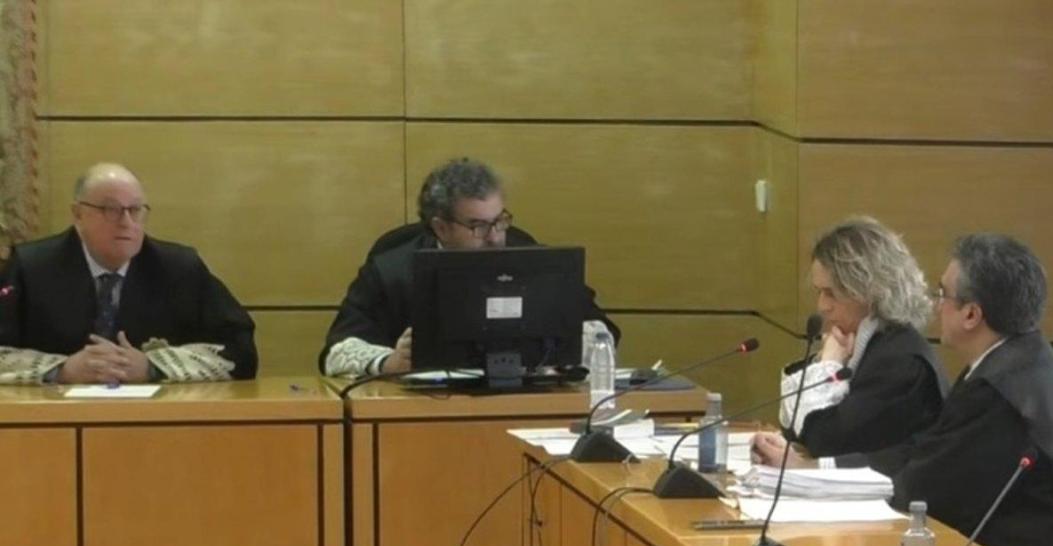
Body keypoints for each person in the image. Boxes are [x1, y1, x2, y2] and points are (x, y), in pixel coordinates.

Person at [769, 233, 1053, 546]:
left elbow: (919, 491)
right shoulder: (1016, 365)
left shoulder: (1000, 394)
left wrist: (817, 477)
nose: (935, 304)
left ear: (971, 315)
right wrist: (819, 470)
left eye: (943, 294)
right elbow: (923, 456)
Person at [319, 157, 615, 377]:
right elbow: (337, 352)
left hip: (521, 402)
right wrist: (390, 362)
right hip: (421, 413)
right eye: (478, 226)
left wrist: (564, 350)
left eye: (500, 220)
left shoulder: (532, 258)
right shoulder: (391, 269)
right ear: (441, 227)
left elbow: (603, 332)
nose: (496, 237)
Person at [0, 162, 257, 383]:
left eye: (135, 210)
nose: (127, 222)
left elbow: (240, 349)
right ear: (78, 214)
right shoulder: (31, 266)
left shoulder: (179, 268)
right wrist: (60, 370)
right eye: (111, 209)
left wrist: (152, 367)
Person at [749, 217, 947, 466]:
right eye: (819, 292)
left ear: (869, 291)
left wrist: (827, 366)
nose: (822, 307)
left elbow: (825, 443)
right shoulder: (869, 346)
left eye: (831, 293)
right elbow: (796, 431)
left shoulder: (901, 363)